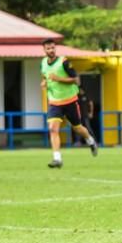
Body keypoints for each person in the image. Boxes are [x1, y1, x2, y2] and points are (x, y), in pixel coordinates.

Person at [40, 39, 98, 168]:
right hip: (54, 102)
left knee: (77, 127)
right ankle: (57, 159)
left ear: (55, 48)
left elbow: (76, 80)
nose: (51, 50)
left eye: (53, 48)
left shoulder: (64, 62)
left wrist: (58, 79)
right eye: (48, 48)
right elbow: (45, 76)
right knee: (53, 129)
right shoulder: (43, 62)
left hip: (70, 101)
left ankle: (90, 140)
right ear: (44, 50)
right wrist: (44, 82)